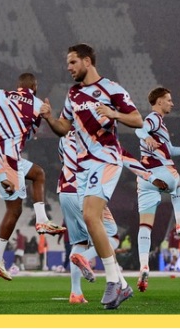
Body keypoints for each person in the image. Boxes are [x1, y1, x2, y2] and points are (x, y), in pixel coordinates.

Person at [38, 43, 143, 310]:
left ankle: (113, 282)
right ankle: (122, 284)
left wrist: (114, 113)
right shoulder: (72, 94)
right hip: (85, 167)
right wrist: (50, 119)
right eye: (68, 63)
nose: (69, 68)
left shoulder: (112, 89)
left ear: (87, 61)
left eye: (73, 62)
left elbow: (137, 119)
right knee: (93, 223)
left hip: (106, 159)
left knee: (90, 217)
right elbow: (65, 128)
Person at [0, 72, 62, 281]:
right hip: (8, 160)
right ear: (34, 87)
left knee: (31, 183)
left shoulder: (1, 95)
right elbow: (33, 132)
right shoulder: (36, 104)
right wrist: (46, 113)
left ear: (18, 85)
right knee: (24, 196)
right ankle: (39, 222)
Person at [131, 86, 180, 293]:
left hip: (145, 178)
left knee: (145, 226)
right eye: (169, 99)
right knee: (178, 183)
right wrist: (145, 136)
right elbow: (140, 127)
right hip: (160, 172)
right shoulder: (154, 118)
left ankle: (143, 266)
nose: (172, 103)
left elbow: (171, 150)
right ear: (158, 102)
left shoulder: (161, 125)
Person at [56, 129, 118, 305]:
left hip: (63, 191)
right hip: (82, 191)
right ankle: (86, 258)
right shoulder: (92, 135)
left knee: (79, 242)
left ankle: (76, 293)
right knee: (112, 238)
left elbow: (63, 159)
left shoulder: (64, 137)